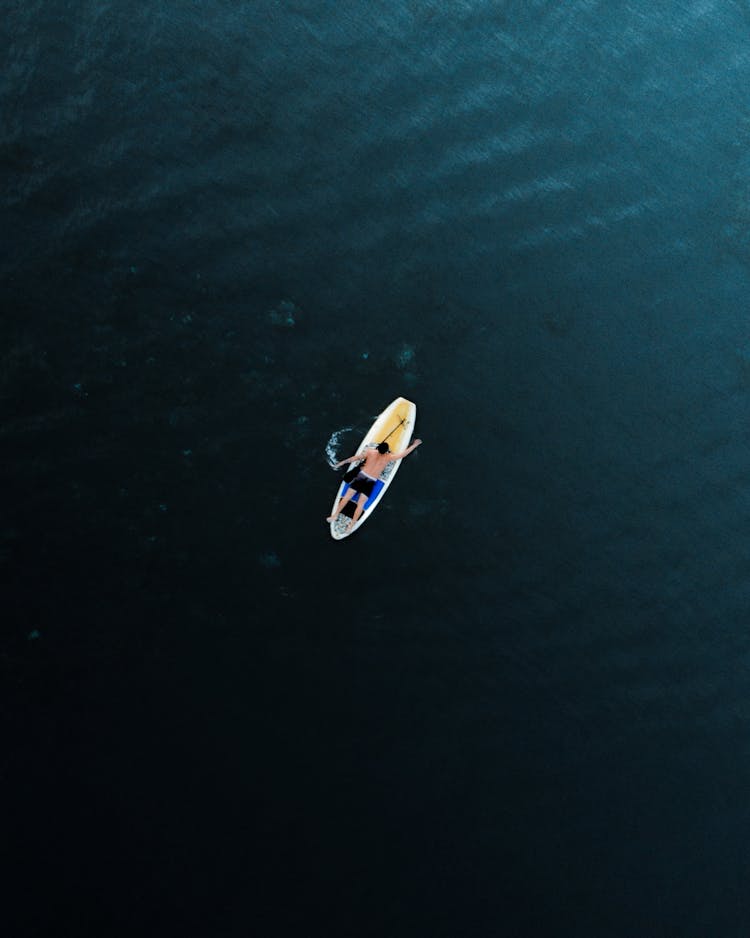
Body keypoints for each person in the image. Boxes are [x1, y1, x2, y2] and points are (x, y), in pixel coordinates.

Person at [327, 438, 423, 528]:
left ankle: (335, 516)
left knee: (347, 496)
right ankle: (351, 525)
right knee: (361, 504)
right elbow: (403, 454)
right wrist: (414, 445)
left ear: (378, 448)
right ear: (386, 451)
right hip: (371, 481)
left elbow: (355, 458)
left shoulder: (370, 452)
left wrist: (342, 462)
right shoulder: (389, 457)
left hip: (361, 477)